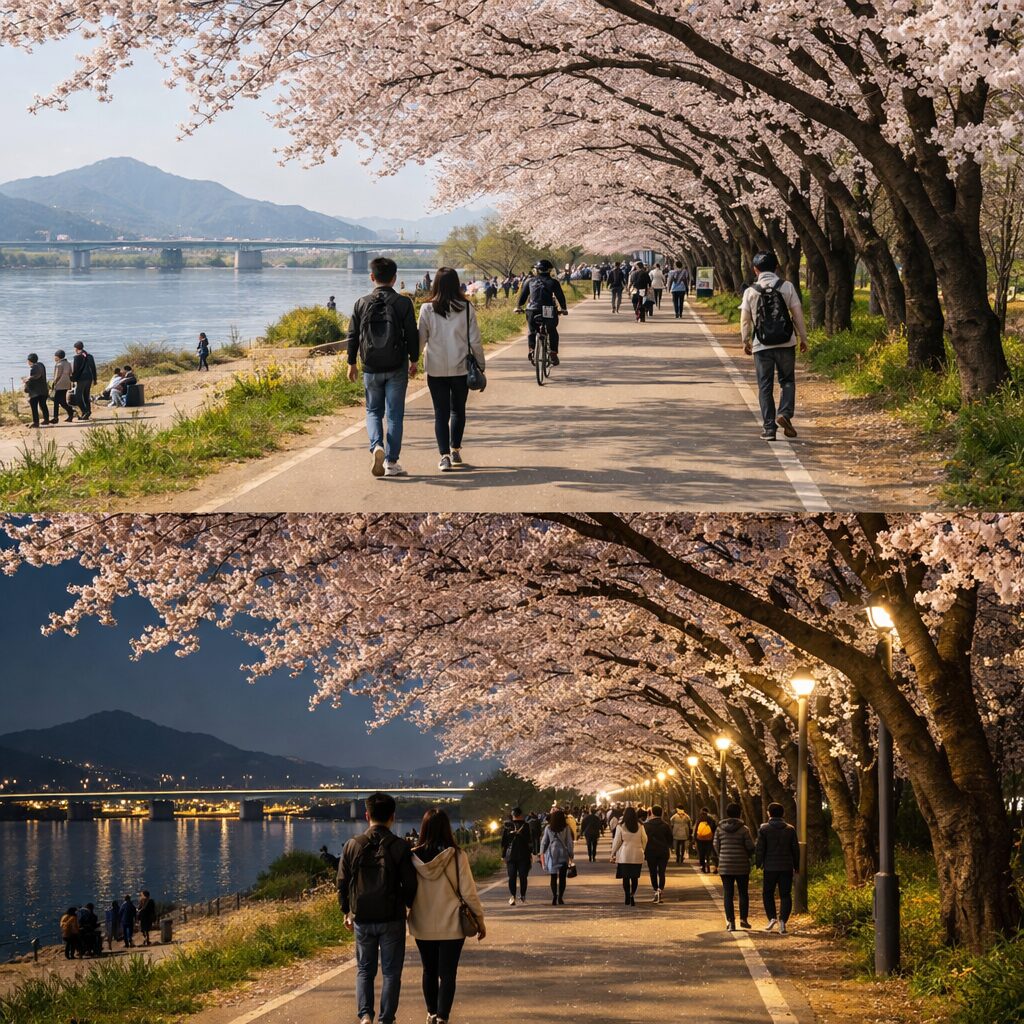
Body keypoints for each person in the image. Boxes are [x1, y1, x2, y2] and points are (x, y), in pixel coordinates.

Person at [338, 791, 419, 1024]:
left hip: (362, 917)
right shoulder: (399, 846)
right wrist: (408, 905)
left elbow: (342, 882)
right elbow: (410, 883)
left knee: (364, 969)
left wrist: (346, 911)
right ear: (392, 817)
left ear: (367, 815)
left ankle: (365, 1015)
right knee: (391, 972)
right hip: (392, 918)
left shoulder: (352, 845)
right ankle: (386, 1019)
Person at [408, 808, 486, 1024]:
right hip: (452, 923)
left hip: (422, 923)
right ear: (446, 828)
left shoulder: (412, 856)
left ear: (423, 828)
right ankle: (442, 1017)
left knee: (429, 970)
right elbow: (469, 892)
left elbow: (406, 890)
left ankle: (431, 1012)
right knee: (448, 973)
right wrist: (479, 920)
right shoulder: (457, 855)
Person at [347, 257, 420, 478]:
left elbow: (352, 335)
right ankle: (391, 462)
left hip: (370, 367)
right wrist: (414, 360)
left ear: (372, 277)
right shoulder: (403, 303)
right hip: (397, 366)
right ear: (395, 278)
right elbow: (412, 334)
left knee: (372, 411)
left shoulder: (361, 303)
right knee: (395, 415)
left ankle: (376, 445)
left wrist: (351, 363)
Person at [417, 267, 486, 473]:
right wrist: (481, 365)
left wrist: (413, 362)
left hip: (436, 368)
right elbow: (475, 341)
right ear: (456, 284)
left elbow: (421, 340)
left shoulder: (426, 308)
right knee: (458, 410)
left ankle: (444, 456)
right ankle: (455, 450)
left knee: (440, 412)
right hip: (460, 367)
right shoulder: (466, 307)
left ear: (435, 284)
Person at [740, 251, 809, 441]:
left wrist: (745, 341)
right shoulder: (787, 286)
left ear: (755, 270)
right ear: (777, 267)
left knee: (765, 385)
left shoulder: (750, 291)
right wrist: (803, 338)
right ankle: (785, 413)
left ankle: (769, 429)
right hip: (786, 342)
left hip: (761, 345)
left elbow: (745, 321)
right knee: (787, 380)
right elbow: (797, 314)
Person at [756, 801, 801, 935]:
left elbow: (760, 848)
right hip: (786, 867)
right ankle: (783, 922)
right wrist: (796, 865)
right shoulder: (790, 829)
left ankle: (772, 918)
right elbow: (795, 849)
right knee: (785, 894)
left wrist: (758, 863)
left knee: (768, 893)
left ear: (769, 813)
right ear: (783, 813)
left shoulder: (764, 828)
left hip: (770, 867)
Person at [515, 259, 569, 366]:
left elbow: (522, 298)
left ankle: (532, 350)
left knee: (532, 330)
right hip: (548, 309)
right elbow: (560, 297)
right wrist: (563, 309)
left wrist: (518, 307)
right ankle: (553, 352)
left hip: (532, 310)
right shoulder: (554, 282)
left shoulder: (529, 281)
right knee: (552, 330)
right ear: (550, 271)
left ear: (536, 270)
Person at [714, 803, 755, 931]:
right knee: (743, 893)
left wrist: (722, 856)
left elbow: (716, 845)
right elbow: (750, 847)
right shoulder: (744, 829)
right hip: (741, 866)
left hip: (725, 866)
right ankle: (743, 919)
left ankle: (731, 922)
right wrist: (747, 855)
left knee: (728, 894)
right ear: (740, 813)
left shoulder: (720, 828)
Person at [610, 806, 646, 906]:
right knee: (635, 878)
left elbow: (617, 841)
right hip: (637, 855)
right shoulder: (640, 825)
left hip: (624, 855)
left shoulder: (620, 826)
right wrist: (643, 849)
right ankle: (632, 895)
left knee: (625, 878)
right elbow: (645, 839)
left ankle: (627, 895)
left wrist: (613, 853)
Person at [539, 808, 574, 905]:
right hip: (563, 854)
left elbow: (544, 842)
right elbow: (569, 842)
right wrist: (571, 854)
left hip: (552, 854)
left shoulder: (548, 828)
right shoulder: (566, 828)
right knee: (562, 878)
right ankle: (561, 897)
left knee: (553, 877)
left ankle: (554, 896)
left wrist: (541, 853)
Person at [501, 807, 534, 905]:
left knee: (512, 876)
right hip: (524, 854)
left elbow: (504, 842)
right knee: (523, 876)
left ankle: (512, 896)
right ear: (520, 815)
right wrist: (530, 854)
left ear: (513, 815)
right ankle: (523, 896)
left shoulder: (507, 826)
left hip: (510, 855)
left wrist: (503, 855)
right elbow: (529, 841)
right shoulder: (526, 825)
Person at [643, 805, 673, 903]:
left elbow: (644, 840)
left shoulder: (646, 825)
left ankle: (655, 890)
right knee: (662, 872)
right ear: (661, 813)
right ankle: (660, 889)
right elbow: (670, 840)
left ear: (652, 813)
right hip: (663, 852)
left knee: (653, 872)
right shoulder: (665, 825)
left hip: (650, 852)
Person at [70, 341, 98, 420]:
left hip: (81, 379)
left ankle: (85, 411)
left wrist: (72, 379)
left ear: (76, 348)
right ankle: (87, 412)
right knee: (86, 396)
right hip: (89, 378)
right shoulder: (89, 356)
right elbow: (93, 368)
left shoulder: (77, 357)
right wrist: (95, 379)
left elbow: (75, 370)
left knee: (78, 396)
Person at [23, 353, 50, 427]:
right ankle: (46, 420)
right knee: (43, 405)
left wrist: (26, 381)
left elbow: (34, 378)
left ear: (29, 361)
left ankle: (36, 422)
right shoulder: (41, 365)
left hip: (36, 392)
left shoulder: (33, 368)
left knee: (34, 406)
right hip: (44, 389)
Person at [51, 349, 75, 423]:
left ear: (58, 357)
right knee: (62, 402)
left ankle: (55, 418)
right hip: (67, 384)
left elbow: (57, 376)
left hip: (59, 385)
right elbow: (71, 373)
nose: (54, 358)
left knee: (56, 401)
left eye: (55, 356)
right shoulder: (68, 363)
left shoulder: (58, 365)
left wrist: (53, 383)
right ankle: (70, 412)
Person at [694, 808, 715, 872]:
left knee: (701, 853)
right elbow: (714, 828)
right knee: (708, 853)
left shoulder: (699, 819)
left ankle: (703, 866)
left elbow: (696, 829)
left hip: (700, 839)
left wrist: (695, 838)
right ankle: (708, 864)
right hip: (709, 839)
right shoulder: (711, 819)